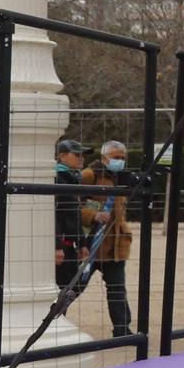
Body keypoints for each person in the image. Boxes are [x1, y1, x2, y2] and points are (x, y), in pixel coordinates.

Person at [78, 140, 135, 338]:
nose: (119, 161)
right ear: (104, 158)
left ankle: (122, 328)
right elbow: (69, 205)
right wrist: (90, 215)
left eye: (122, 158)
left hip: (116, 245)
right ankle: (55, 319)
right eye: (115, 157)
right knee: (75, 286)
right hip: (91, 244)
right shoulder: (88, 175)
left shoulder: (122, 178)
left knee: (117, 289)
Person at [53, 138, 87, 291]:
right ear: (62, 156)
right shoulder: (56, 179)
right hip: (61, 247)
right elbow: (53, 216)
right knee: (62, 291)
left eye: (82, 155)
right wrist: (56, 246)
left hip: (71, 246)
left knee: (72, 288)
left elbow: (74, 214)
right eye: (77, 154)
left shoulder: (73, 179)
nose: (81, 158)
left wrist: (82, 243)